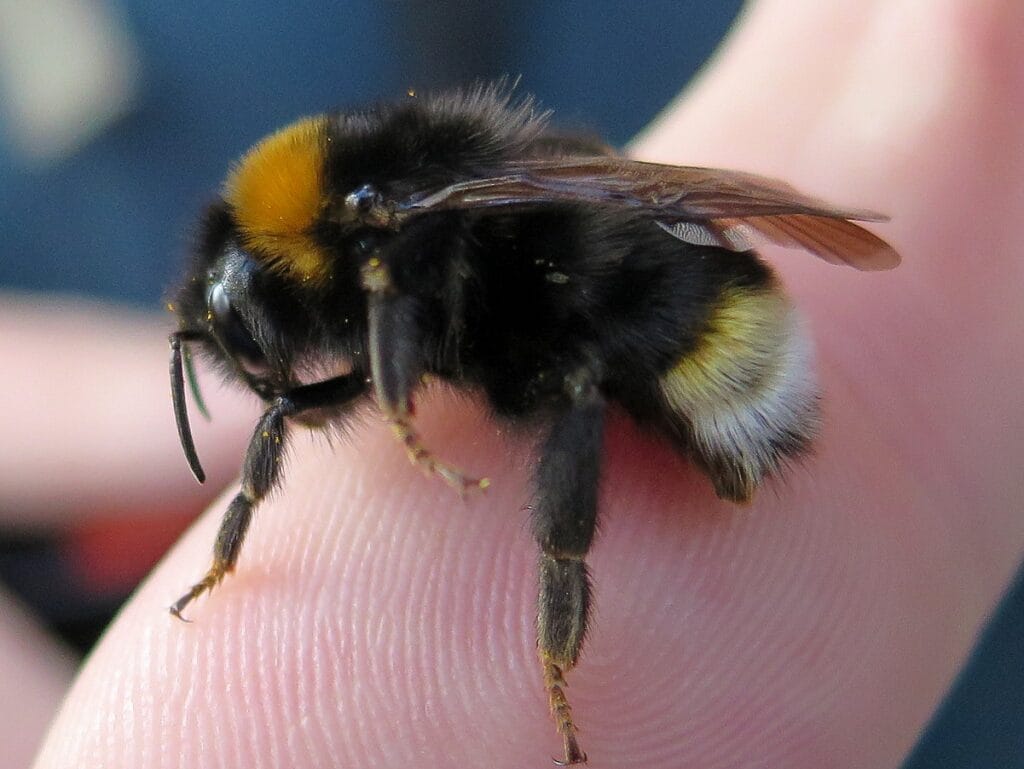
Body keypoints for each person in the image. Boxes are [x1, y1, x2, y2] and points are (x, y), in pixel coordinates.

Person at [12, 1, 1024, 766]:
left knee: (574, 380)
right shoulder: (376, 199)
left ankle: (555, 654)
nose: (258, 367)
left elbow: (402, 276)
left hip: (704, 341)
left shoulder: (381, 232)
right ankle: (237, 561)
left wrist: (406, 419)